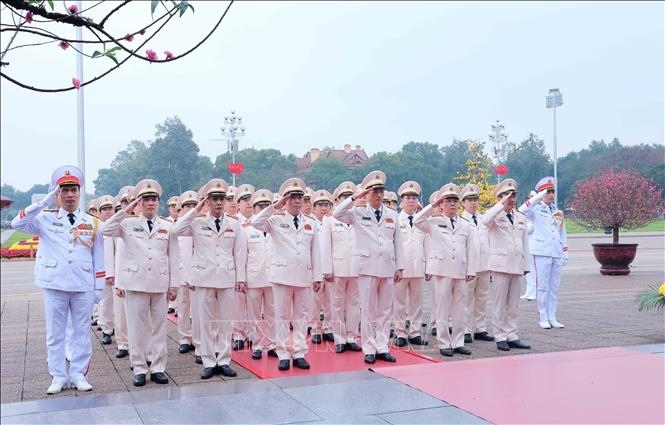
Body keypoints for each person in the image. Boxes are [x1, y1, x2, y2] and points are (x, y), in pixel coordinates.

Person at [12, 165, 105, 394]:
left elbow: (99, 258)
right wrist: (43, 202)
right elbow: (17, 224)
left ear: (80, 192)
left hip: (83, 284)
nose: (70, 194)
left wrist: (99, 288)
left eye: (73, 189)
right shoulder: (44, 218)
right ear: (57, 194)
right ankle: (58, 375)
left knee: (82, 332)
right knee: (55, 334)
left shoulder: (93, 222)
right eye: (64, 190)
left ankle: (78, 374)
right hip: (55, 284)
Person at [103, 179, 179, 386]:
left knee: (159, 327)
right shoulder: (127, 224)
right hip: (135, 282)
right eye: (146, 199)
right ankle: (139, 367)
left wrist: (174, 285)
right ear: (139, 202)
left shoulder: (167, 226)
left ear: (158, 202)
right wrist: (125, 210)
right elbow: (105, 230)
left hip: (159, 282)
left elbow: (174, 255)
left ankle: (158, 367)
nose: (150, 203)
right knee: (136, 328)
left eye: (154, 199)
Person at [173, 179, 247, 379]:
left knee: (224, 321)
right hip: (203, 278)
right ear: (207, 201)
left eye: (221, 199)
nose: (219, 203)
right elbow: (176, 229)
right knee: (204, 321)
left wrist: (241, 278)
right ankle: (207, 360)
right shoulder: (196, 222)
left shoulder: (234, 224)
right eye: (214, 199)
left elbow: (239, 252)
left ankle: (223, 360)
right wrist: (196, 209)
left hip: (226, 276)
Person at [333, 170, 406, 364]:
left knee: (385, 310)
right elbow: (337, 213)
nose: (379, 195)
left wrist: (400, 267)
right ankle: (369, 349)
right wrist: (356, 196)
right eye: (374, 191)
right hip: (366, 267)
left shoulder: (392, 214)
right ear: (367, 194)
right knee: (368, 310)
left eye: (381, 191)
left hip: (387, 266)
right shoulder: (357, 213)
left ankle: (382, 347)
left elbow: (398, 241)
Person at [251, 177, 322, 371]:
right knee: (281, 316)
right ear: (285, 200)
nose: (297, 201)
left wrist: (318, 277)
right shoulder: (275, 220)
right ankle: (282, 353)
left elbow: (315, 251)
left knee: (301, 316)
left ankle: (298, 352)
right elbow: (255, 222)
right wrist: (276, 206)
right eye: (293, 197)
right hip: (282, 275)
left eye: (300, 197)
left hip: (303, 275)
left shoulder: (311, 223)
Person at [414, 183, 477, 357]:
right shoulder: (433, 222)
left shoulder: (464, 225)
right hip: (441, 270)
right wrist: (433, 205)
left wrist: (471, 269)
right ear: (441, 204)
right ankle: (443, 342)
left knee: (460, 309)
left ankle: (458, 342)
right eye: (448, 201)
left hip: (460, 270)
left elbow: (470, 249)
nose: (452, 204)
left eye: (454, 201)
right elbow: (417, 220)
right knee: (441, 308)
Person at [481, 179, 531, 352]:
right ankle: (500, 335)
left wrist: (526, 265)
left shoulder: (520, 217)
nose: (511, 198)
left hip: (517, 264)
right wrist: (499, 205)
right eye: (507, 196)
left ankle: (512, 334)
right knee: (499, 303)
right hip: (500, 265)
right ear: (500, 198)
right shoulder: (495, 216)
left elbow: (524, 243)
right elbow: (485, 221)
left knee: (513, 303)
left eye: (513, 195)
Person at [518, 177, 569, 329]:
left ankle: (552, 316)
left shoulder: (557, 211)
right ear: (541, 193)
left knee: (554, 288)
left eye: (553, 192)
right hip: (541, 252)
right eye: (548, 192)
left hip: (556, 252)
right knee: (542, 287)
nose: (551, 195)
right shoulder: (535, 209)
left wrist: (565, 252)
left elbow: (562, 233)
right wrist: (537, 197)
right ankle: (543, 317)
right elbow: (521, 210)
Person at [320, 182, 362, 354]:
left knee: (354, 304)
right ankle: (339, 338)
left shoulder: (358, 217)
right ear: (337, 200)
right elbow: (325, 247)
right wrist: (327, 269)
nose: (347, 200)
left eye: (349, 197)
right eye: (344, 197)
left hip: (355, 268)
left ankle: (352, 337)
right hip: (337, 268)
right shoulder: (329, 220)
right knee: (336, 305)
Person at [243, 189, 278, 360]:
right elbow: (242, 256)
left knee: (272, 313)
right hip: (254, 277)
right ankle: (256, 344)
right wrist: (241, 279)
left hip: (273, 277)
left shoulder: (277, 227)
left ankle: (272, 344)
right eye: (260, 206)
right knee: (254, 314)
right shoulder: (247, 230)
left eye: (267, 206)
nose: (264, 209)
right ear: (254, 208)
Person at [459, 184, 495, 343]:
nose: (473, 203)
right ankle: (465, 329)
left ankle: (480, 328)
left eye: (475, 199)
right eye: (470, 200)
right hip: (469, 266)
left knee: (482, 298)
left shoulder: (483, 219)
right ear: (463, 202)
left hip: (485, 265)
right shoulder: (460, 220)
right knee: (466, 299)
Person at [393, 181, 427, 347]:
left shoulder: (422, 221)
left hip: (419, 266)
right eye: (408, 197)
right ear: (402, 200)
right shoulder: (395, 220)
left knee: (417, 302)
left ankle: (415, 332)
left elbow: (427, 244)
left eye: (414, 197)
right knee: (399, 302)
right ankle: (400, 332)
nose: (412, 200)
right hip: (401, 267)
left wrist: (428, 266)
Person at [174, 190, 199, 355]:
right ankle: (184, 338)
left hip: (198, 276)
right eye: (187, 206)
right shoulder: (175, 227)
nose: (191, 209)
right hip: (181, 274)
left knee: (198, 311)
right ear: (180, 209)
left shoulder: (201, 226)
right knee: (183, 308)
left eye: (194, 206)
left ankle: (199, 341)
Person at [310, 189, 334, 344]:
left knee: (330, 301)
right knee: (315, 301)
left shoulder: (332, 222)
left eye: (326, 204)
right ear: (313, 208)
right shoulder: (309, 223)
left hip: (330, 268)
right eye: (319, 205)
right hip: (315, 269)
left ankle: (328, 328)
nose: (323, 208)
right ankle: (315, 329)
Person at [95, 195, 116, 346]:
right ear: (99, 212)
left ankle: (121, 333)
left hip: (118, 272)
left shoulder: (117, 226)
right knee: (106, 303)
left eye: (110, 209)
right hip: (102, 272)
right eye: (105, 209)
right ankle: (107, 331)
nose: (108, 212)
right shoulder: (96, 228)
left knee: (121, 306)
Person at [520, 191, 538, 301]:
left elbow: (530, 228)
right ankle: (529, 290)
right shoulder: (525, 213)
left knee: (534, 271)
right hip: (525, 247)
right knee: (527, 270)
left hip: (533, 247)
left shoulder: (536, 213)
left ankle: (535, 291)